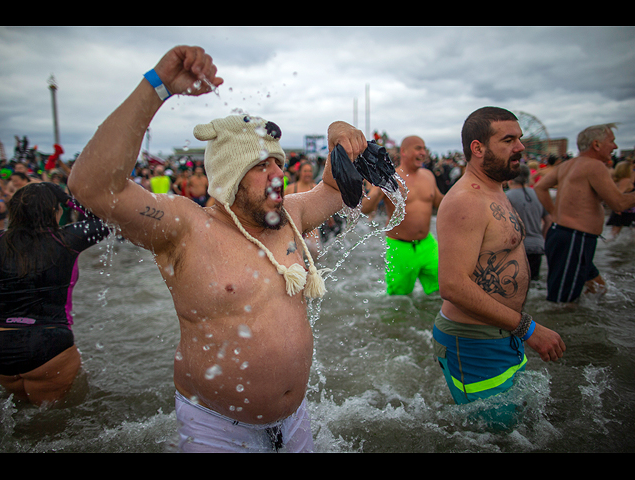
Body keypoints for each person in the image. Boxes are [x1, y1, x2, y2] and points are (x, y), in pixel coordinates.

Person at [67, 45, 367, 453]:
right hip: (217, 428)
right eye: (263, 166)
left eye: (279, 164)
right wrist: (156, 87)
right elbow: (93, 187)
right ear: (230, 179)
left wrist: (338, 135)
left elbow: (333, 188)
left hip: (294, 420)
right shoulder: (184, 229)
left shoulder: (291, 215)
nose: (278, 175)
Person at [432, 107, 565, 408]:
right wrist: (529, 328)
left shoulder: (495, 189)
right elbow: (452, 285)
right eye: (508, 140)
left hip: (503, 333)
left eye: (519, 138)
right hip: (474, 342)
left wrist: (518, 329)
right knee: (493, 438)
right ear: (477, 148)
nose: (520, 146)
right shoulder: (466, 201)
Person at [0, 182, 110, 406]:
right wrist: (65, 197)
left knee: (18, 413)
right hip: (48, 342)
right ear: (54, 211)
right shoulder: (67, 239)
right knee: (52, 421)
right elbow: (105, 220)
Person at [535, 123, 635, 302]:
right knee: (562, 303)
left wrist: (554, 213)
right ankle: (562, 327)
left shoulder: (567, 165)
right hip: (574, 239)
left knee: (598, 288)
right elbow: (619, 203)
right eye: (611, 141)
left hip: (565, 236)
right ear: (596, 145)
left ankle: (584, 319)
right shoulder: (595, 166)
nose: (615, 147)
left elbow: (540, 186)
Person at [361, 135, 443, 296]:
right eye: (418, 148)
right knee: (398, 300)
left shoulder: (429, 176)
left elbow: (441, 203)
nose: (423, 152)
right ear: (404, 151)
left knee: (442, 292)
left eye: (424, 148)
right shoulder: (390, 178)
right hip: (399, 247)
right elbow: (365, 209)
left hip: (428, 244)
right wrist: (378, 192)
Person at [506, 164, 552, 281]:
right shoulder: (538, 194)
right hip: (537, 246)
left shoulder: (506, 197)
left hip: (516, 248)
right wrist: (542, 238)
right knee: (533, 281)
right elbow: (549, 221)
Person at [285, 161, 321, 259]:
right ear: (300, 172)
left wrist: (331, 221)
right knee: (295, 256)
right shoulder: (290, 188)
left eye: (309, 171)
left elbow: (322, 208)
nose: (308, 173)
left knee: (315, 256)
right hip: (295, 228)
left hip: (312, 229)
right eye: (305, 171)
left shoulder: (316, 188)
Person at [605, 160, 635, 239]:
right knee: (614, 233)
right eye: (631, 169)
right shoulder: (626, 181)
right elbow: (619, 194)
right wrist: (617, 208)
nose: (632, 171)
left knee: (613, 233)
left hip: (622, 210)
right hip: (624, 211)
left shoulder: (618, 180)